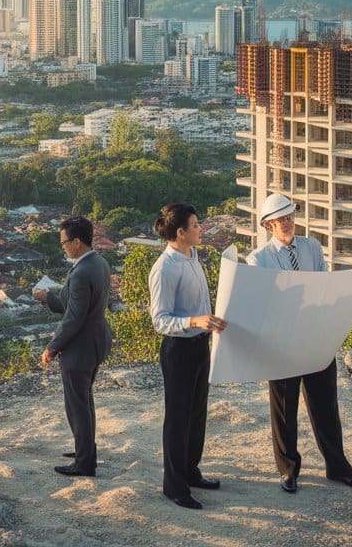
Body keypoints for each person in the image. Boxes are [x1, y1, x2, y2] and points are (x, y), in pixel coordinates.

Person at [245, 193, 352, 495]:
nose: (287, 223)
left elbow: (324, 285)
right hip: (282, 343)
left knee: (326, 406)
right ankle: (288, 470)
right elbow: (262, 303)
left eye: (290, 217)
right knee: (284, 410)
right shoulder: (257, 259)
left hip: (316, 337)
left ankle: (339, 468)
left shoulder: (312, 247)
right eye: (280, 220)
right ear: (268, 225)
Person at [148, 203, 226, 510]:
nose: (200, 229)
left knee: (197, 414)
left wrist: (209, 322)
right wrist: (195, 321)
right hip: (178, 350)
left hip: (200, 345)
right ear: (180, 232)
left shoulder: (193, 256)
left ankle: (191, 471)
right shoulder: (164, 268)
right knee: (178, 420)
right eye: (195, 225)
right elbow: (160, 321)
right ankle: (174, 485)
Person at [33, 216, 113, 478]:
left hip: (80, 346)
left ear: (77, 242)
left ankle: (84, 462)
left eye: (65, 242)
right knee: (84, 400)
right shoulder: (99, 263)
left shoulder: (80, 272)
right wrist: (48, 299)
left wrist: (53, 347)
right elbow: (73, 306)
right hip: (96, 340)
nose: (63, 247)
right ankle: (85, 448)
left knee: (77, 404)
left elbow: (74, 318)